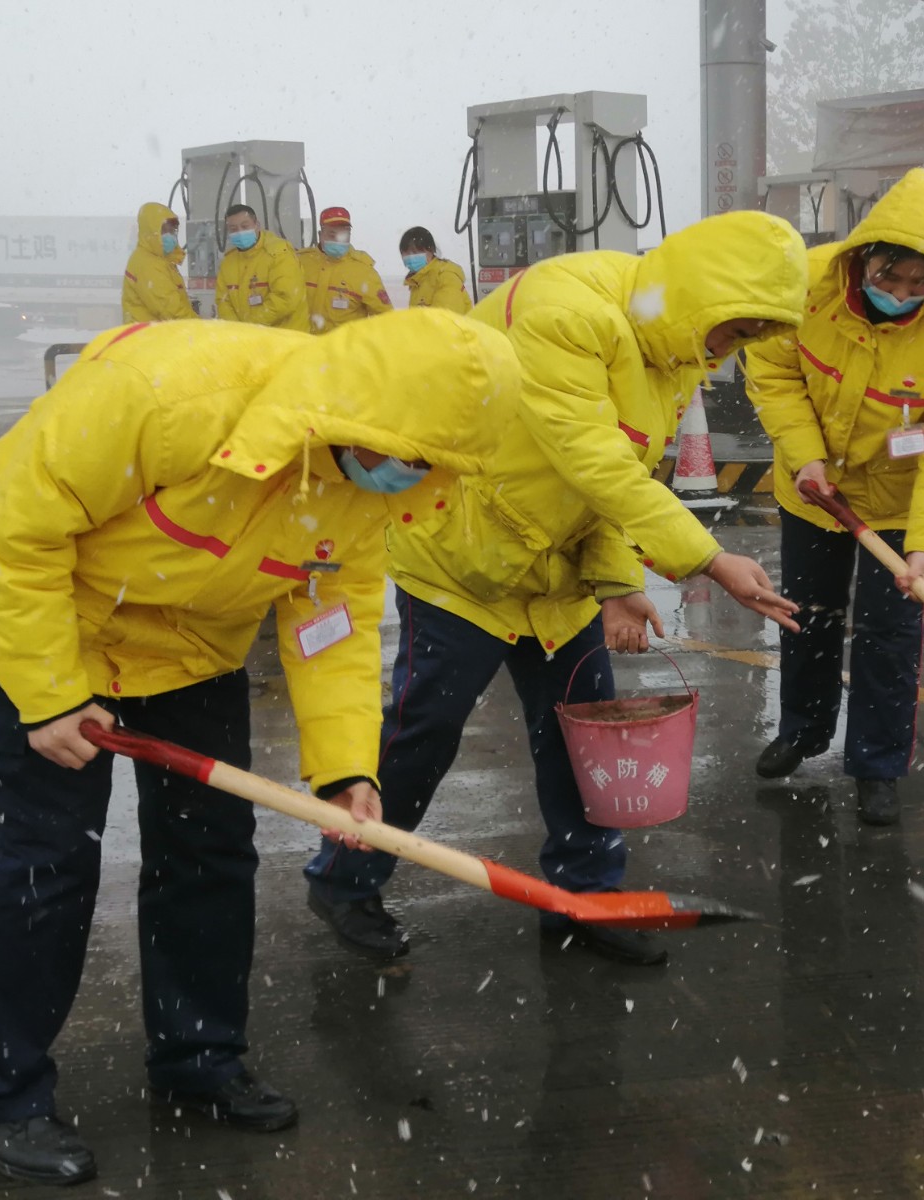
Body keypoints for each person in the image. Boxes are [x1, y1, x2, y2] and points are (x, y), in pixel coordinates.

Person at [0, 310, 518, 1186]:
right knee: (49, 859)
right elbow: (10, 530)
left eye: (438, 463)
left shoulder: (369, 483)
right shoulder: (170, 396)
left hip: (191, 647)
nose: (416, 475)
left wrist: (346, 767)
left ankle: (199, 1057)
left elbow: (334, 621)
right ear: (362, 409)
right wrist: (48, 692)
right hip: (50, 624)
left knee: (208, 850)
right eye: (412, 453)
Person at [303, 210, 808, 968]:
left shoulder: (672, 352)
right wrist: (708, 559)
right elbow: (591, 460)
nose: (728, 350)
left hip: (557, 576)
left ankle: (585, 897)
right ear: (703, 296)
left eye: (748, 338)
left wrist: (615, 582)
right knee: (421, 735)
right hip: (463, 562)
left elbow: (619, 477)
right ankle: (345, 876)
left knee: (583, 737)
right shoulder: (564, 312)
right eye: (735, 330)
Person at [743, 168, 924, 827]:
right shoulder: (809, 284)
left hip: (899, 503)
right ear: (864, 258)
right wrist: (804, 454)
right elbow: (772, 369)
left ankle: (877, 766)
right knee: (808, 613)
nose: (901, 293)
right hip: (814, 490)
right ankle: (803, 730)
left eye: (919, 284)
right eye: (889, 276)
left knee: (890, 634)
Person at [298, 206, 394, 333]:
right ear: (320, 235)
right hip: (303, 343)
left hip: (344, 345)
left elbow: (386, 318)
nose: (338, 239)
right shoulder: (301, 262)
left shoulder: (363, 272)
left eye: (343, 234)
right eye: (332, 234)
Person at [215, 204, 308, 330]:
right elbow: (223, 301)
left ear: (257, 225)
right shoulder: (228, 262)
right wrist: (237, 329)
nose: (240, 232)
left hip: (283, 337)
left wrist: (251, 327)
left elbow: (286, 298)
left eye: (245, 226)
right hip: (247, 338)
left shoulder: (279, 253)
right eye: (233, 229)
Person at [122, 202, 198, 323]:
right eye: (164, 231)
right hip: (151, 334)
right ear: (150, 231)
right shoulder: (148, 265)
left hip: (155, 332)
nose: (170, 236)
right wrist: (200, 327)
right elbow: (171, 311)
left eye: (172, 231)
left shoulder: (158, 260)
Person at [400, 225, 472, 314]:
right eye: (406, 253)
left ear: (431, 250)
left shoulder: (445, 276)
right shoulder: (417, 281)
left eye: (415, 252)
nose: (410, 257)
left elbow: (445, 317)